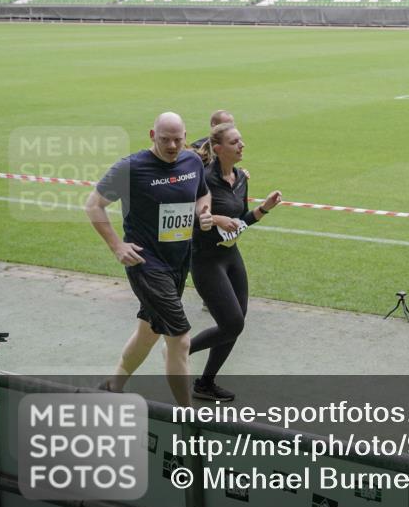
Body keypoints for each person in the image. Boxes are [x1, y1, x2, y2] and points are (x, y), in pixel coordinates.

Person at [86, 112, 213, 406]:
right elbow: (94, 206)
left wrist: (203, 213)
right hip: (146, 264)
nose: (172, 145)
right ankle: (187, 417)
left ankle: (112, 385)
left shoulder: (192, 161)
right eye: (165, 139)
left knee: (149, 331)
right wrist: (117, 246)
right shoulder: (131, 168)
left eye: (177, 139)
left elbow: (202, 195)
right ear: (152, 135)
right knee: (179, 338)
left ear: (185, 136)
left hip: (179, 261)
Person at [189, 122, 282, 401]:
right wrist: (215, 219)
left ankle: (205, 383)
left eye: (241, 140)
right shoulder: (204, 179)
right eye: (234, 142)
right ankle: (182, 350)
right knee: (231, 325)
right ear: (218, 149)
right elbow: (191, 218)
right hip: (205, 260)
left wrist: (264, 208)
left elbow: (240, 221)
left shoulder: (241, 178)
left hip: (231, 257)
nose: (241, 145)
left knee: (235, 323)